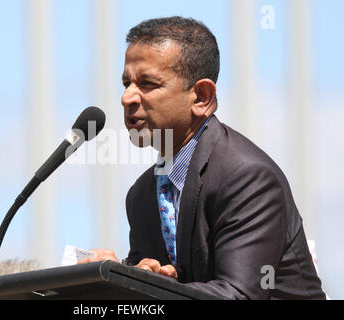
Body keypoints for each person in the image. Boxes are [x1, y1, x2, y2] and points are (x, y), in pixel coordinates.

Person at [80, 16, 326, 300]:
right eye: (126, 83)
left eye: (147, 83)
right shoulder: (141, 195)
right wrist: (125, 275)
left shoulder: (247, 178)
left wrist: (146, 289)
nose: (127, 98)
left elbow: (239, 295)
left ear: (201, 97)